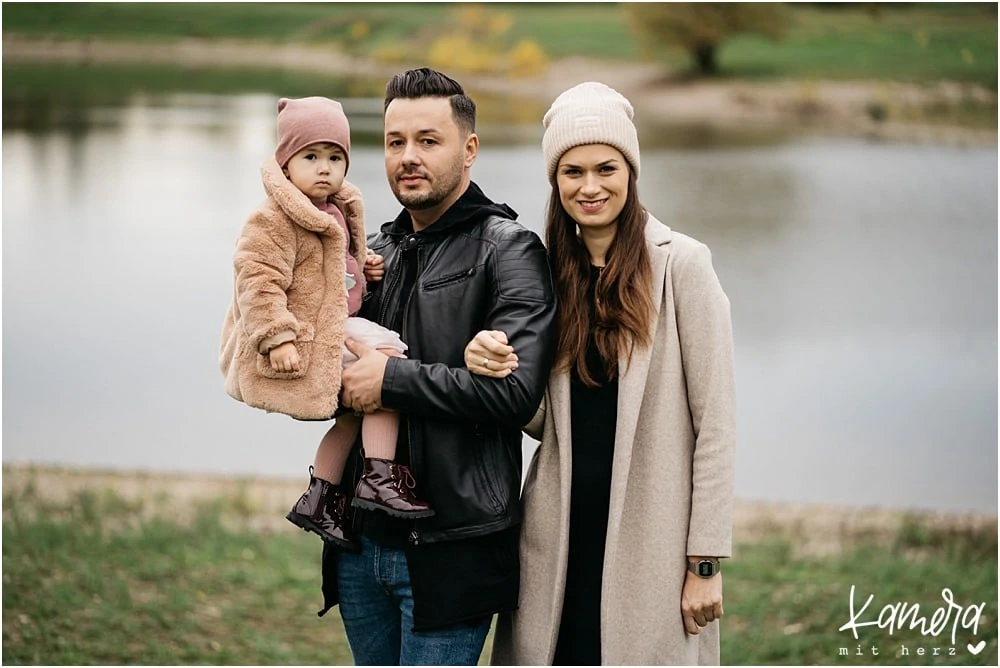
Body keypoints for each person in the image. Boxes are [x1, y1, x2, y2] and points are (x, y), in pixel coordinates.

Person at [466, 82, 738, 665]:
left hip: (653, 541)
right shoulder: (543, 271)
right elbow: (539, 420)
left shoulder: (681, 265)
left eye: (605, 168)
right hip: (556, 534)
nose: (590, 187)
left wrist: (705, 563)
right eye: (572, 172)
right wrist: (489, 363)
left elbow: (715, 423)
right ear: (555, 180)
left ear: (630, 170)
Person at [316, 68, 558, 666]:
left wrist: (391, 380)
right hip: (357, 545)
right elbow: (330, 377)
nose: (408, 157)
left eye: (428, 140)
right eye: (395, 142)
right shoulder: (374, 251)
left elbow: (518, 396)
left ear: (469, 148)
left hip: (452, 548)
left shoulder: (510, 249)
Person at [219, 96, 434, 557]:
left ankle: (321, 498)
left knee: (353, 413)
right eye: (311, 157)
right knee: (389, 365)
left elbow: (335, 269)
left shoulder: (336, 207)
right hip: (306, 332)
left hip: (335, 321)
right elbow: (257, 280)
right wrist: (277, 337)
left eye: (335, 158)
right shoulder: (272, 217)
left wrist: (364, 267)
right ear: (286, 162)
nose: (324, 169)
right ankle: (378, 474)